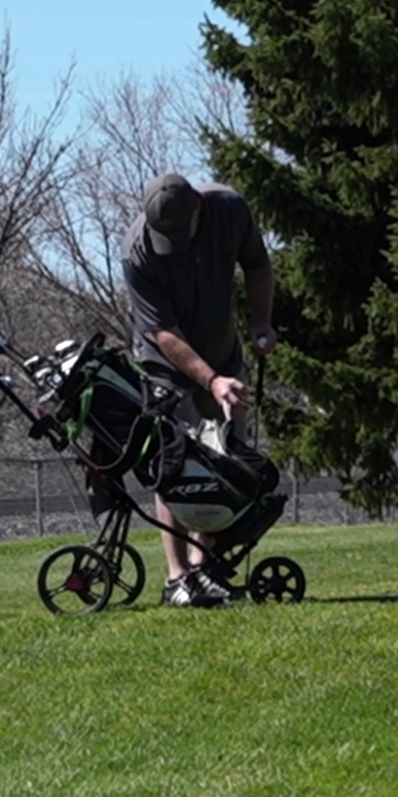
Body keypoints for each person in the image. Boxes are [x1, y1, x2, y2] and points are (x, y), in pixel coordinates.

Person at [123, 172, 277, 608]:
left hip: (224, 356)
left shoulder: (230, 209)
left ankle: (203, 566)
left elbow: (258, 266)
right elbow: (163, 333)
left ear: (198, 209)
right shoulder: (138, 252)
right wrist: (210, 380)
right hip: (166, 366)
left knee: (223, 459)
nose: (170, 243)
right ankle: (177, 578)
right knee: (173, 464)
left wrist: (262, 321)